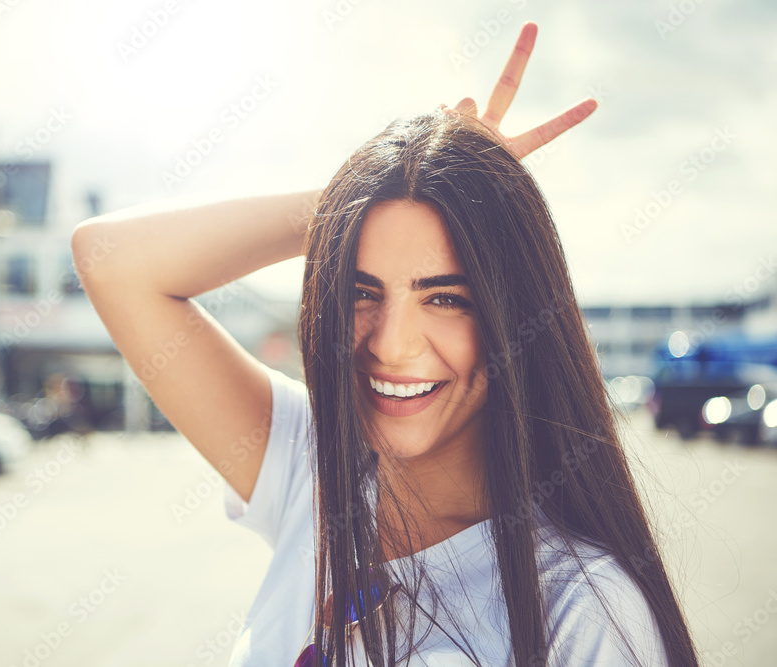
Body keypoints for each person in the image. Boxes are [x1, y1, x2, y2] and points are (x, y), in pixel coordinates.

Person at [70, 21, 699, 667]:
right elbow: (111, 259)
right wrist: (369, 197)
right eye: (364, 291)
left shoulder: (581, 607)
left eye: (447, 297)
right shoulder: (314, 468)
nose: (392, 345)